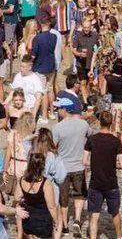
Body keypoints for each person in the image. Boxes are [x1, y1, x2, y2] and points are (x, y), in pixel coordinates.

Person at [51, 96, 89, 236]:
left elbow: (53, 146)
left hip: (63, 168)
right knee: (79, 195)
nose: (56, 110)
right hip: (79, 166)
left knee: (63, 198)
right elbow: (89, 137)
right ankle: (77, 220)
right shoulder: (83, 124)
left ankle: (65, 225)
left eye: (58, 108)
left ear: (65, 110)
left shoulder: (58, 128)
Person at [83, 111, 122, 239]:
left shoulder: (92, 139)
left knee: (94, 215)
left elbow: (84, 161)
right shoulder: (116, 141)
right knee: (115, 213)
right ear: (111, 123)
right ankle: (119, 236)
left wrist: (96, 163)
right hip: (111, 183)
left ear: (99, 122)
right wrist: (112, 163)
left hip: (95, 183)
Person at [15, 152, 59, 239]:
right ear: (43, 166)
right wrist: (56, 221)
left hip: (27, 219)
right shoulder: (46, 183)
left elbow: (17, 197)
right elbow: (51, 207)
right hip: (42, 221)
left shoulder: (22, 180)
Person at [99, 59, 122, 158]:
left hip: (114, 105)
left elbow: (103, 92)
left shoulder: (108, 78)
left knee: (113, 129)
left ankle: (113, 151)